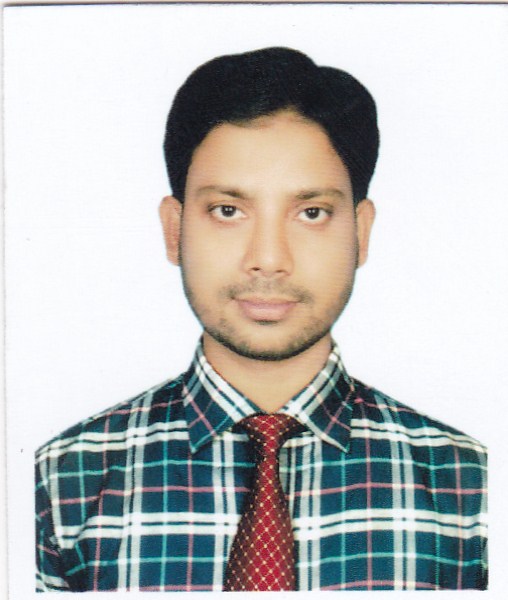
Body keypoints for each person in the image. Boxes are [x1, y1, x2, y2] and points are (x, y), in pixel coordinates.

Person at [35, 47, 487, 592]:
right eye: (228, 211)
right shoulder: (60, 485)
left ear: (361, 232)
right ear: (174, 230)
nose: (269, 258)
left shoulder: (470, 492)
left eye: (311, 213)